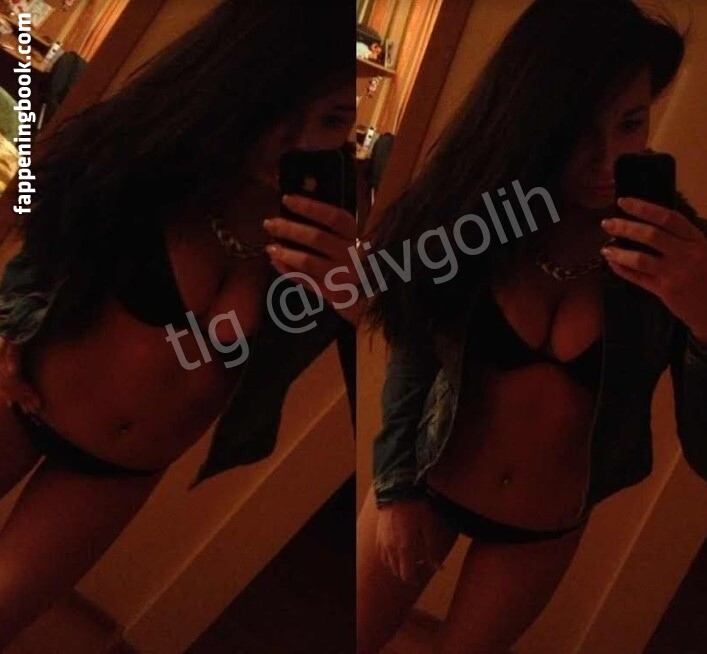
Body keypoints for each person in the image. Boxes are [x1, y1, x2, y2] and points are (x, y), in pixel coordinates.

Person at [0, 0, 357, 646]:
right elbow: (46, 235)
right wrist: (6, 334)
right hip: (23, 398)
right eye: (281, 106)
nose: (298, 139)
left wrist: (351, 303)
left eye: (331, 119)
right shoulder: (154, 155)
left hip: (118, 469)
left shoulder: (321, 241)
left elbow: (365, 381)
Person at [356, 1, 707, 652]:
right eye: (578, 132)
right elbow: (415, 351)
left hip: (543, 527)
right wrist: (394, 486)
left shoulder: (678, 253)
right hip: (428, 483)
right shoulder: (485, 214)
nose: (608, 160)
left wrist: (705, 321)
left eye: (630, 124)